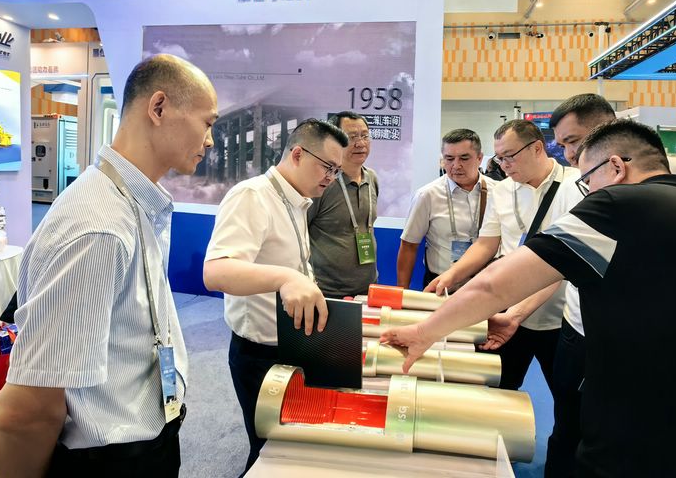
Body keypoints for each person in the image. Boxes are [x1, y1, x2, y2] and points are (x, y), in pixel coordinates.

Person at [382, 119, 676, 478]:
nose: (588, 192)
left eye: (588, 180)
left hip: (645, 420)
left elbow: (495, 285)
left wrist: (424, 332)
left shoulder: (618, 205)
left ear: (616, 168)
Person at [0, 54, 219, 478]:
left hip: (144, 441)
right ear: (159, 107)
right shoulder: (99, 226)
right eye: (207, 123)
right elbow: (25, 411)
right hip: (109, 461)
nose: (211, 140)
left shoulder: (129, 202)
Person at [543, 93, 676, 478]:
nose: (569, 155)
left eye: (574, 141)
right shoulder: (573, 184)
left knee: (633, 432)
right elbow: (554, 259)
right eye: (563, 145)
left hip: (649, 334)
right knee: (568, 424)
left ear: (610, 128)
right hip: (580, 328)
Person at [203, 118, 348, 473]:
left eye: (337, 171)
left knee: (296, 446)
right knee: (269, 454)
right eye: (327, 167)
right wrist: (286, 277)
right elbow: (216, 272)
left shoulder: (297, 200)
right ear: (297, 154)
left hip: (295, 344)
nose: (331, 178)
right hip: (260, 354)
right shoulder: (253, 196)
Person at [427, 120, 581, 391]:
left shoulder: (575, 185)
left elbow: (563, 262)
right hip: (507, 311)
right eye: (499, 158)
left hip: (561, 315)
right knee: (498, 389)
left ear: (537, 148)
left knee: (568, 398)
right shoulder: (502, 190)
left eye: (510, 156)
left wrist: (516, 314)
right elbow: (486, 244)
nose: (504, 165)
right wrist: (451, 275)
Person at [396, 129, 496, 290]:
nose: (456, 165)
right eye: (449, 159)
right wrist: (402, 291)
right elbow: (409, 245)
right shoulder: (427, 195)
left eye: (464, 158)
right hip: (441, 286)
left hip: (487, 286)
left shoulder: (498, 191)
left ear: (479, 158)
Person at [308, 111, 380, 298]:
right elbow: (299, 233)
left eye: (365, 136)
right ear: (335, 141)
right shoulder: (322, 182)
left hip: (367, 288)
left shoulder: (372, 178)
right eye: (352, 137)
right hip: (326, 292)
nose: (360, 143)